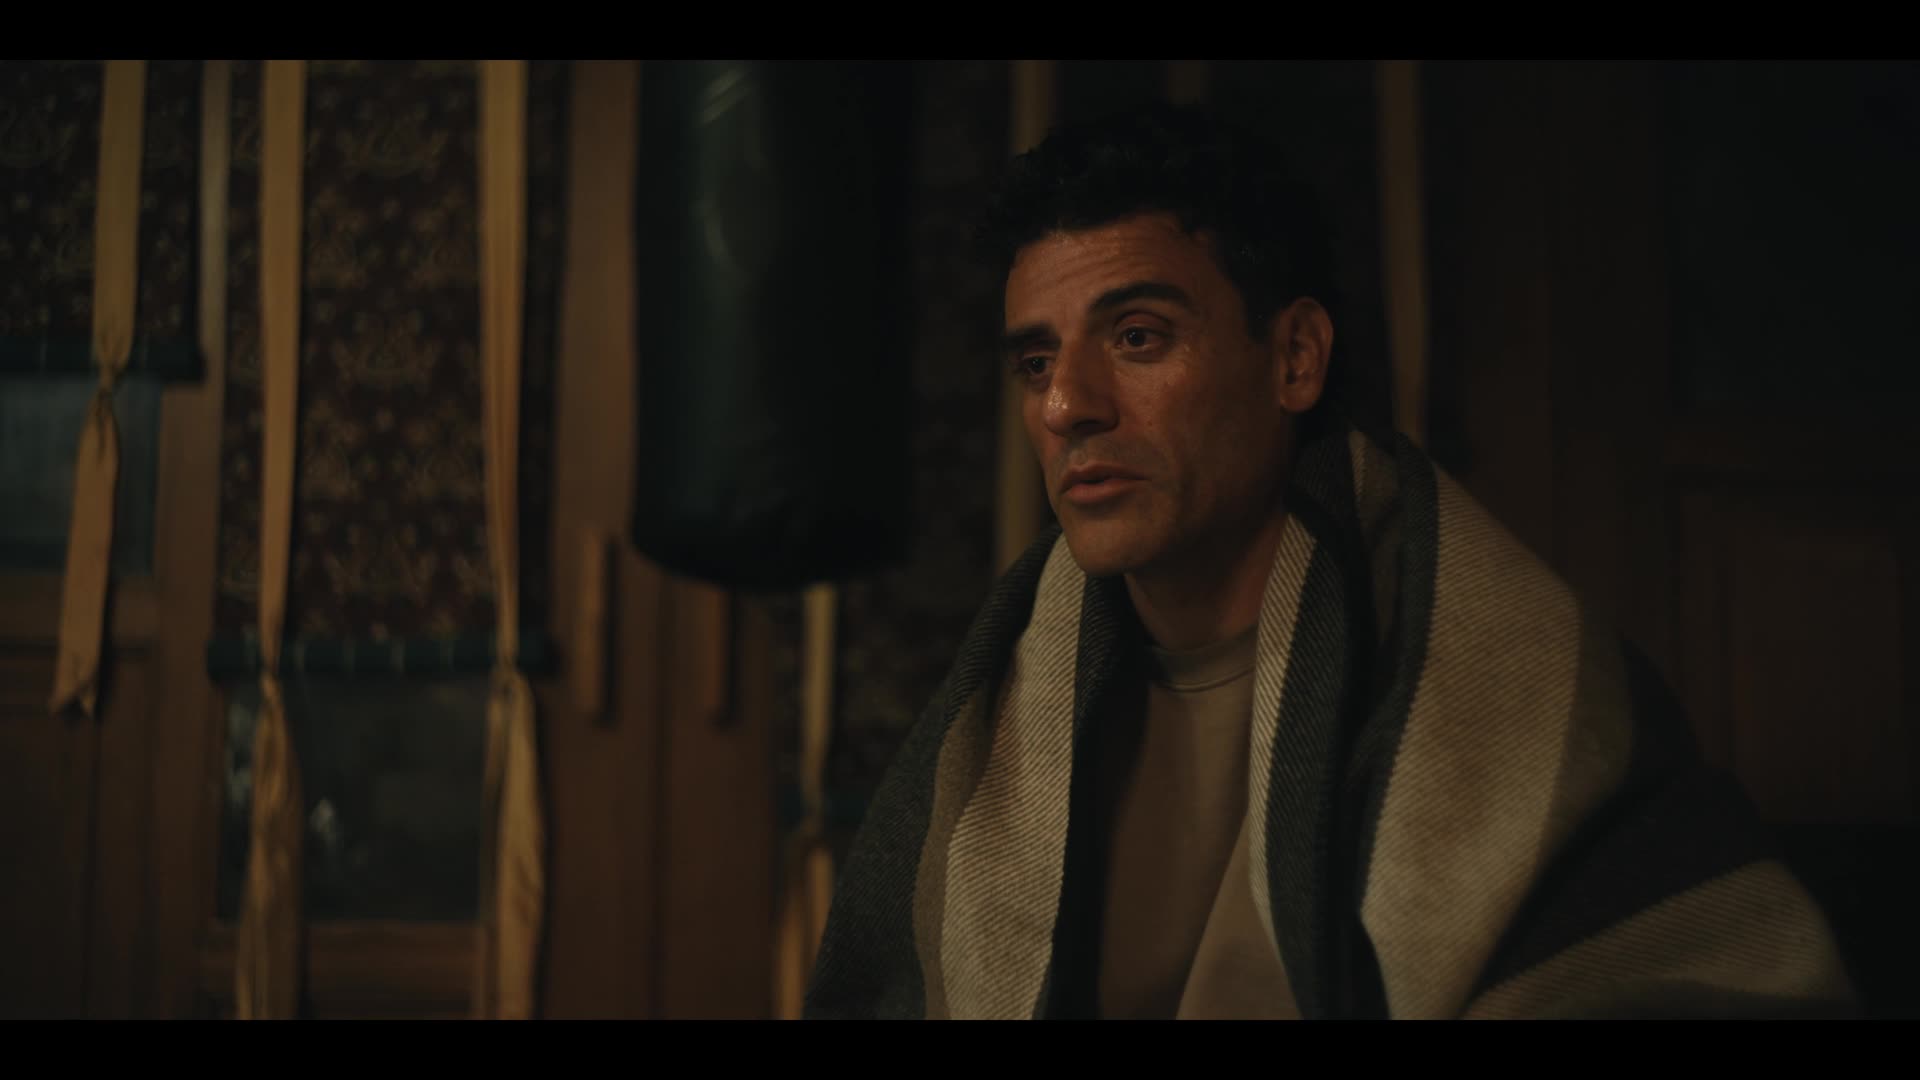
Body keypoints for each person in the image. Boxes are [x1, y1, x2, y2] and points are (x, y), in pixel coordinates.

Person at [804, 102, 1854, 1020]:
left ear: (1295, 359)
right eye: (1037, 362)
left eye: (1137, 337)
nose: (1067, 404)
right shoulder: (1004, 699)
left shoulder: (1492, 675)